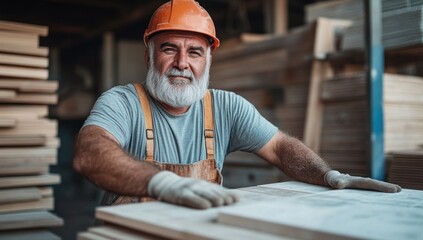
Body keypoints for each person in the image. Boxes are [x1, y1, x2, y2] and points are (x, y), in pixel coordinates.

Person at [73, 0, 401, 210]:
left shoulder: (225, 107)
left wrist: (328, 175)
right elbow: (90, 153)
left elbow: (281, 147)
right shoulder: (123, 102)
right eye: (169, 49)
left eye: (195, 52)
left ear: (209, 59)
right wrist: (159, 182)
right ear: (149, 54)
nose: (182, 63)